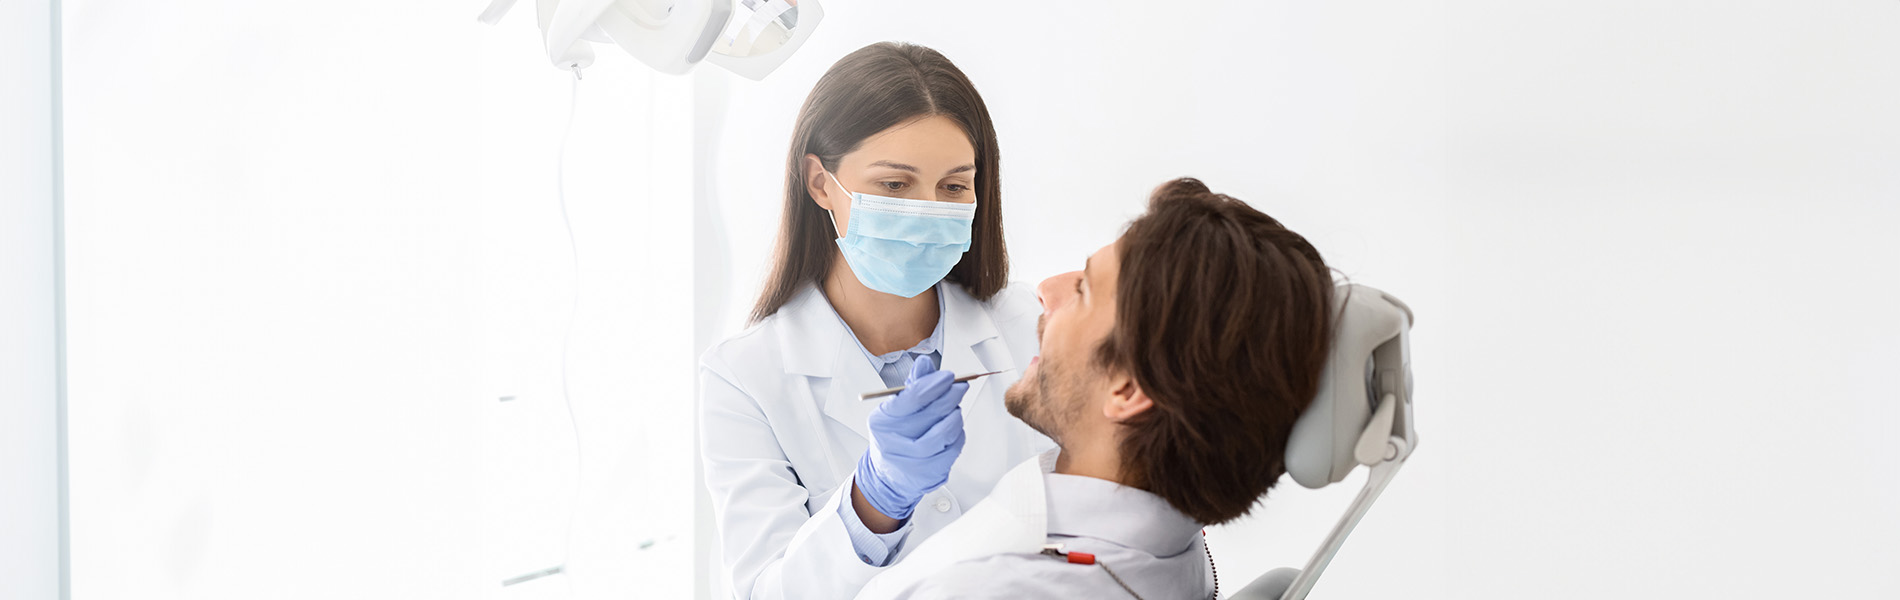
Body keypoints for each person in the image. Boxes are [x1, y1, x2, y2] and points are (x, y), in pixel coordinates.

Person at [855, 178, 1338, 600]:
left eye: (1085, 289)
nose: (1046, 288)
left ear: (1128, 390)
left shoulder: (984, 591)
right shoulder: (1170, 545)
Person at [698, 42, 1054, 600]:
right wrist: (875, 500)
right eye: (894, 185)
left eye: (955, 186)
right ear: (820, 183)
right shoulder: (744, 377)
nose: (929, 208)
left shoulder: (1029, 323)